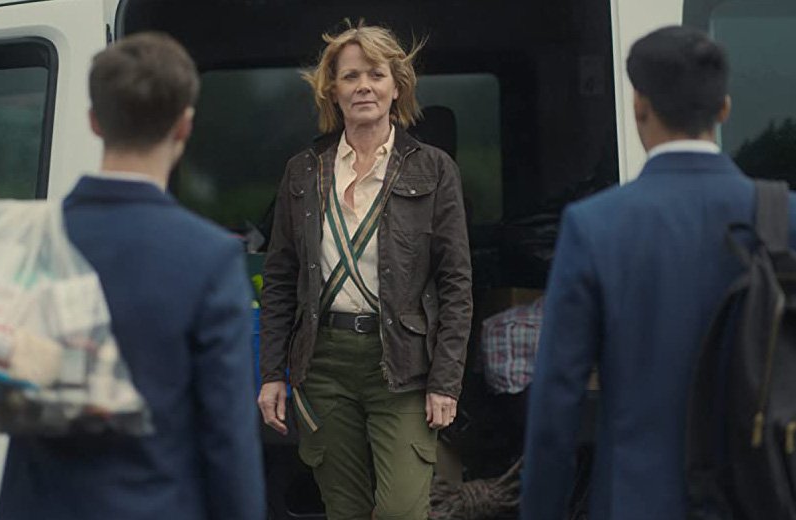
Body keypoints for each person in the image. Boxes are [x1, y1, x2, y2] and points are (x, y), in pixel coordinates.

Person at [521, 25, 796, 520]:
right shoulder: (786, 218)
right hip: (765, 497)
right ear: (724, 109)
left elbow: (557, 398)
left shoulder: (594, 225)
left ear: (639, 107)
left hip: (637, 501)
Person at [0, 32, 265, 520]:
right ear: (184, 126)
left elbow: (13, 401)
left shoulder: (32, 237)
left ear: (94, 121)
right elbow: (227, 437)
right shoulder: (210, 257)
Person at [257, 21, 472, 520]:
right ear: (332, 90)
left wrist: (446, 380)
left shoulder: (434, 168)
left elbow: (456, 284)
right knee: (344, 509)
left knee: (401, 511)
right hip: (322, 362)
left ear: (397, 87)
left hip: (404, 363)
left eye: (376, 74)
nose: (363, 87)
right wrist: (271, 374)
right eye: (350, 76)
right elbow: (281, 279)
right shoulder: (303, 170)